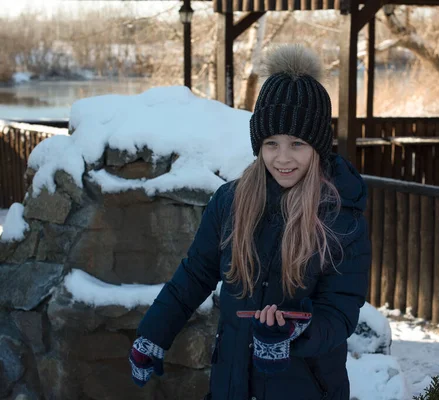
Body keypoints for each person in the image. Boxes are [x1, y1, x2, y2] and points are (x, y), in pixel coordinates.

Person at [128, 44, 372, 400]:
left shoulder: (340, 215)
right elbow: (194, 276)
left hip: (307, 387)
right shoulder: (231, 201)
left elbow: (341, 311)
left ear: (318, 146)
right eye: (271, 143)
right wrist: (154, 333)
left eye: (297, 144)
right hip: (232, 383)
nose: (282, 158)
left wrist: (294, 332)